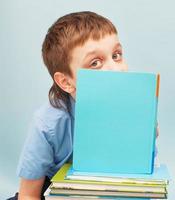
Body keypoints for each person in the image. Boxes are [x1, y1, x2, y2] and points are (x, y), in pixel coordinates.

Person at [10, 11, 158, 200]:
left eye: (117, 55)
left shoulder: (131, 110)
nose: (115, 69)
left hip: (106, 187)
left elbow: (142, 181)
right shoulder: (47, 124)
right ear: (66, 82)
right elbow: (28, 195)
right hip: (52, 190)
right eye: (95, 63)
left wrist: (146, 139)